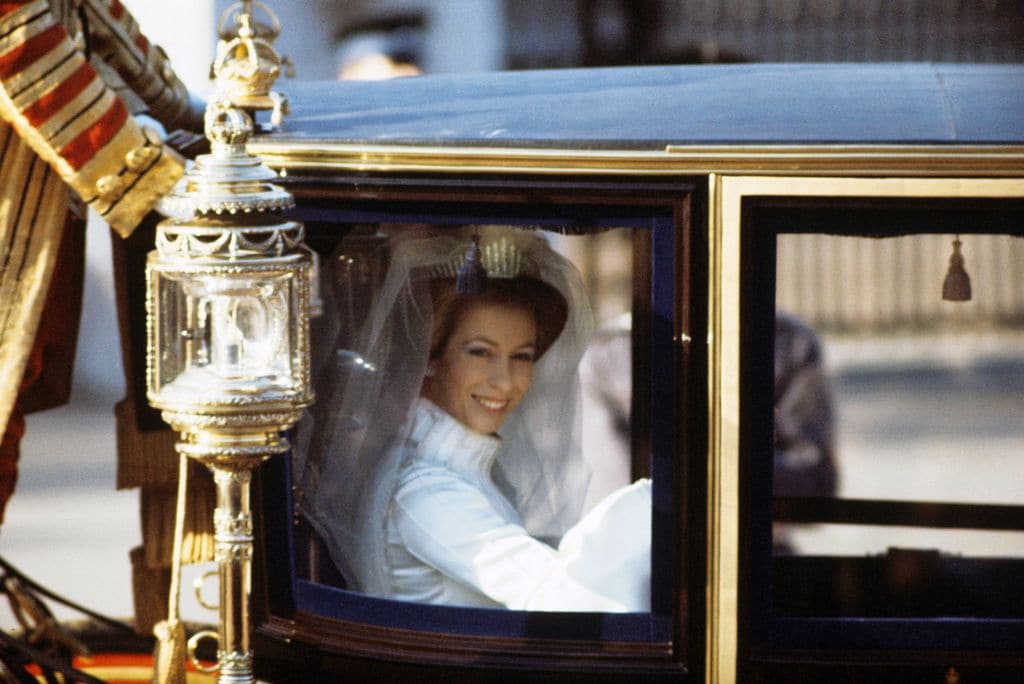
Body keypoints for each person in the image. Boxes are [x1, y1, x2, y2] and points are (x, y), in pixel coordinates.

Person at [297, 228, 651, 612]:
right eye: (480, 352)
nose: (505, 381)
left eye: (522, 356)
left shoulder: (457, 469)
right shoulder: (427, 492)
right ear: (431, 357)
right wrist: (653, 507)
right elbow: (567, 598)